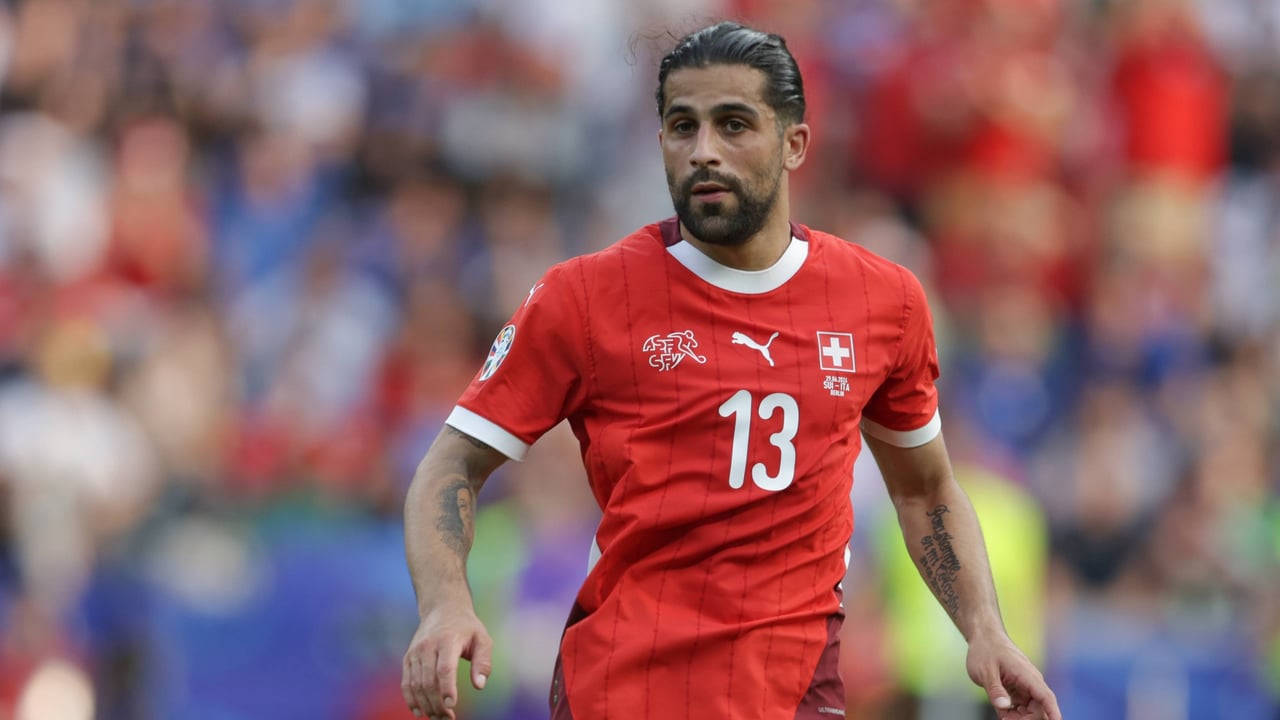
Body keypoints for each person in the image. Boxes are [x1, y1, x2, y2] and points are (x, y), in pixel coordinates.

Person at [401, 20, 1061, 720]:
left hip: (795, 696)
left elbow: (925, 491)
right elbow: (452, 463)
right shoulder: (584, 296)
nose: (704, 151)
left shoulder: (883, 301)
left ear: (795, 143)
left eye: (734, 124)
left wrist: (986, 631)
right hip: (622, 694)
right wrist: (445, 604)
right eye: (682, 126)